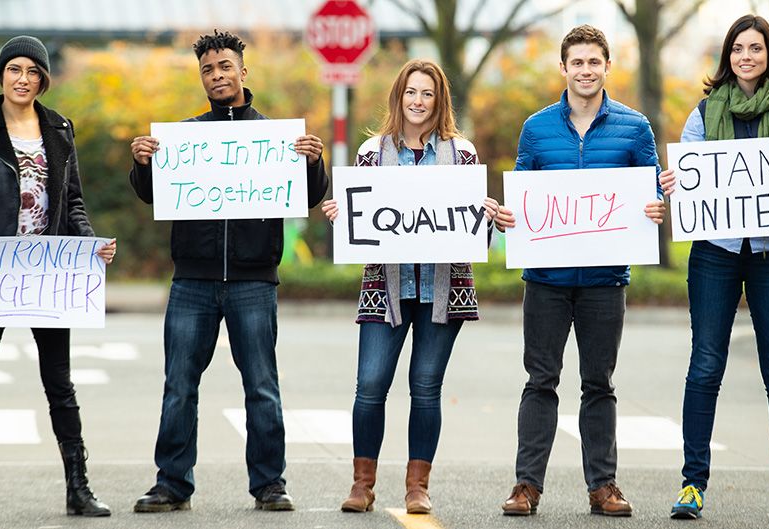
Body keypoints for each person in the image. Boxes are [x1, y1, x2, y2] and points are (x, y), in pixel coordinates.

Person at [127, 30, 328, 513]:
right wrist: (144, 165)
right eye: (208, 70)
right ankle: (172, 483)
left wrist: (313, 164)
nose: (216, 76)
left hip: (253, 279)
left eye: (224, 67)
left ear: (243, 71)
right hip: (192, 279)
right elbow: (152, 194)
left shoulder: (276, 137)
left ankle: (269, 484)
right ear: (202, 78)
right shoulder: (184, 137)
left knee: (261, 384)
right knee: (179, 383)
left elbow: (307, 195)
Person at [663, 14, 769, 522]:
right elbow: (690, 176)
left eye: (755, 48)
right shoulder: (703, 112)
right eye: (738, 48)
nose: (746, 57)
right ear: (728, 56)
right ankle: (692, 486)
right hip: (715, 253)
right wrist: (678, 183)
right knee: (706, 365)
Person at [494, 25, 669, 517]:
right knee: (539, 381)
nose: (586, 71)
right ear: (564, 67)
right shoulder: (537, 127)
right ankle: (526, 485)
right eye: (578, 62)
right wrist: (508, 214)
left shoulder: (635, 127)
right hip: (546, 281)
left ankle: (603, 486)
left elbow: (653, 190)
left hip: (604, 280)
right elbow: (523, 191)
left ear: (607, 67)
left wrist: (657, 206)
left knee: (599, 383)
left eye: (595, 62)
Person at [0, 35, 116, 519]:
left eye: (33, 71)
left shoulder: (60, 129)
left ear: (43, 79)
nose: (23, 79)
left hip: (48, 274)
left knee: (59, 381)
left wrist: (90, 243)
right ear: (2, 75)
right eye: (14, 69)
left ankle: (78, 487)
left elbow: (74, 203)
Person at [321, 59, 499, 515]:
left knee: (426, 387)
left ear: (440, 102)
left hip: (444, 287)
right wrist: (345, 219)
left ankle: (417, 487)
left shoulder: (462, 153)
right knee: (370, 385)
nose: (418, 102)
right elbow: (365, 223)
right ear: (397, 98)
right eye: (411, 93)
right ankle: (363, 483)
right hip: (387, 287)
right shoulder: (370, 153)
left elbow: (472, 231)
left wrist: (488, 217)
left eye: (428, 94)